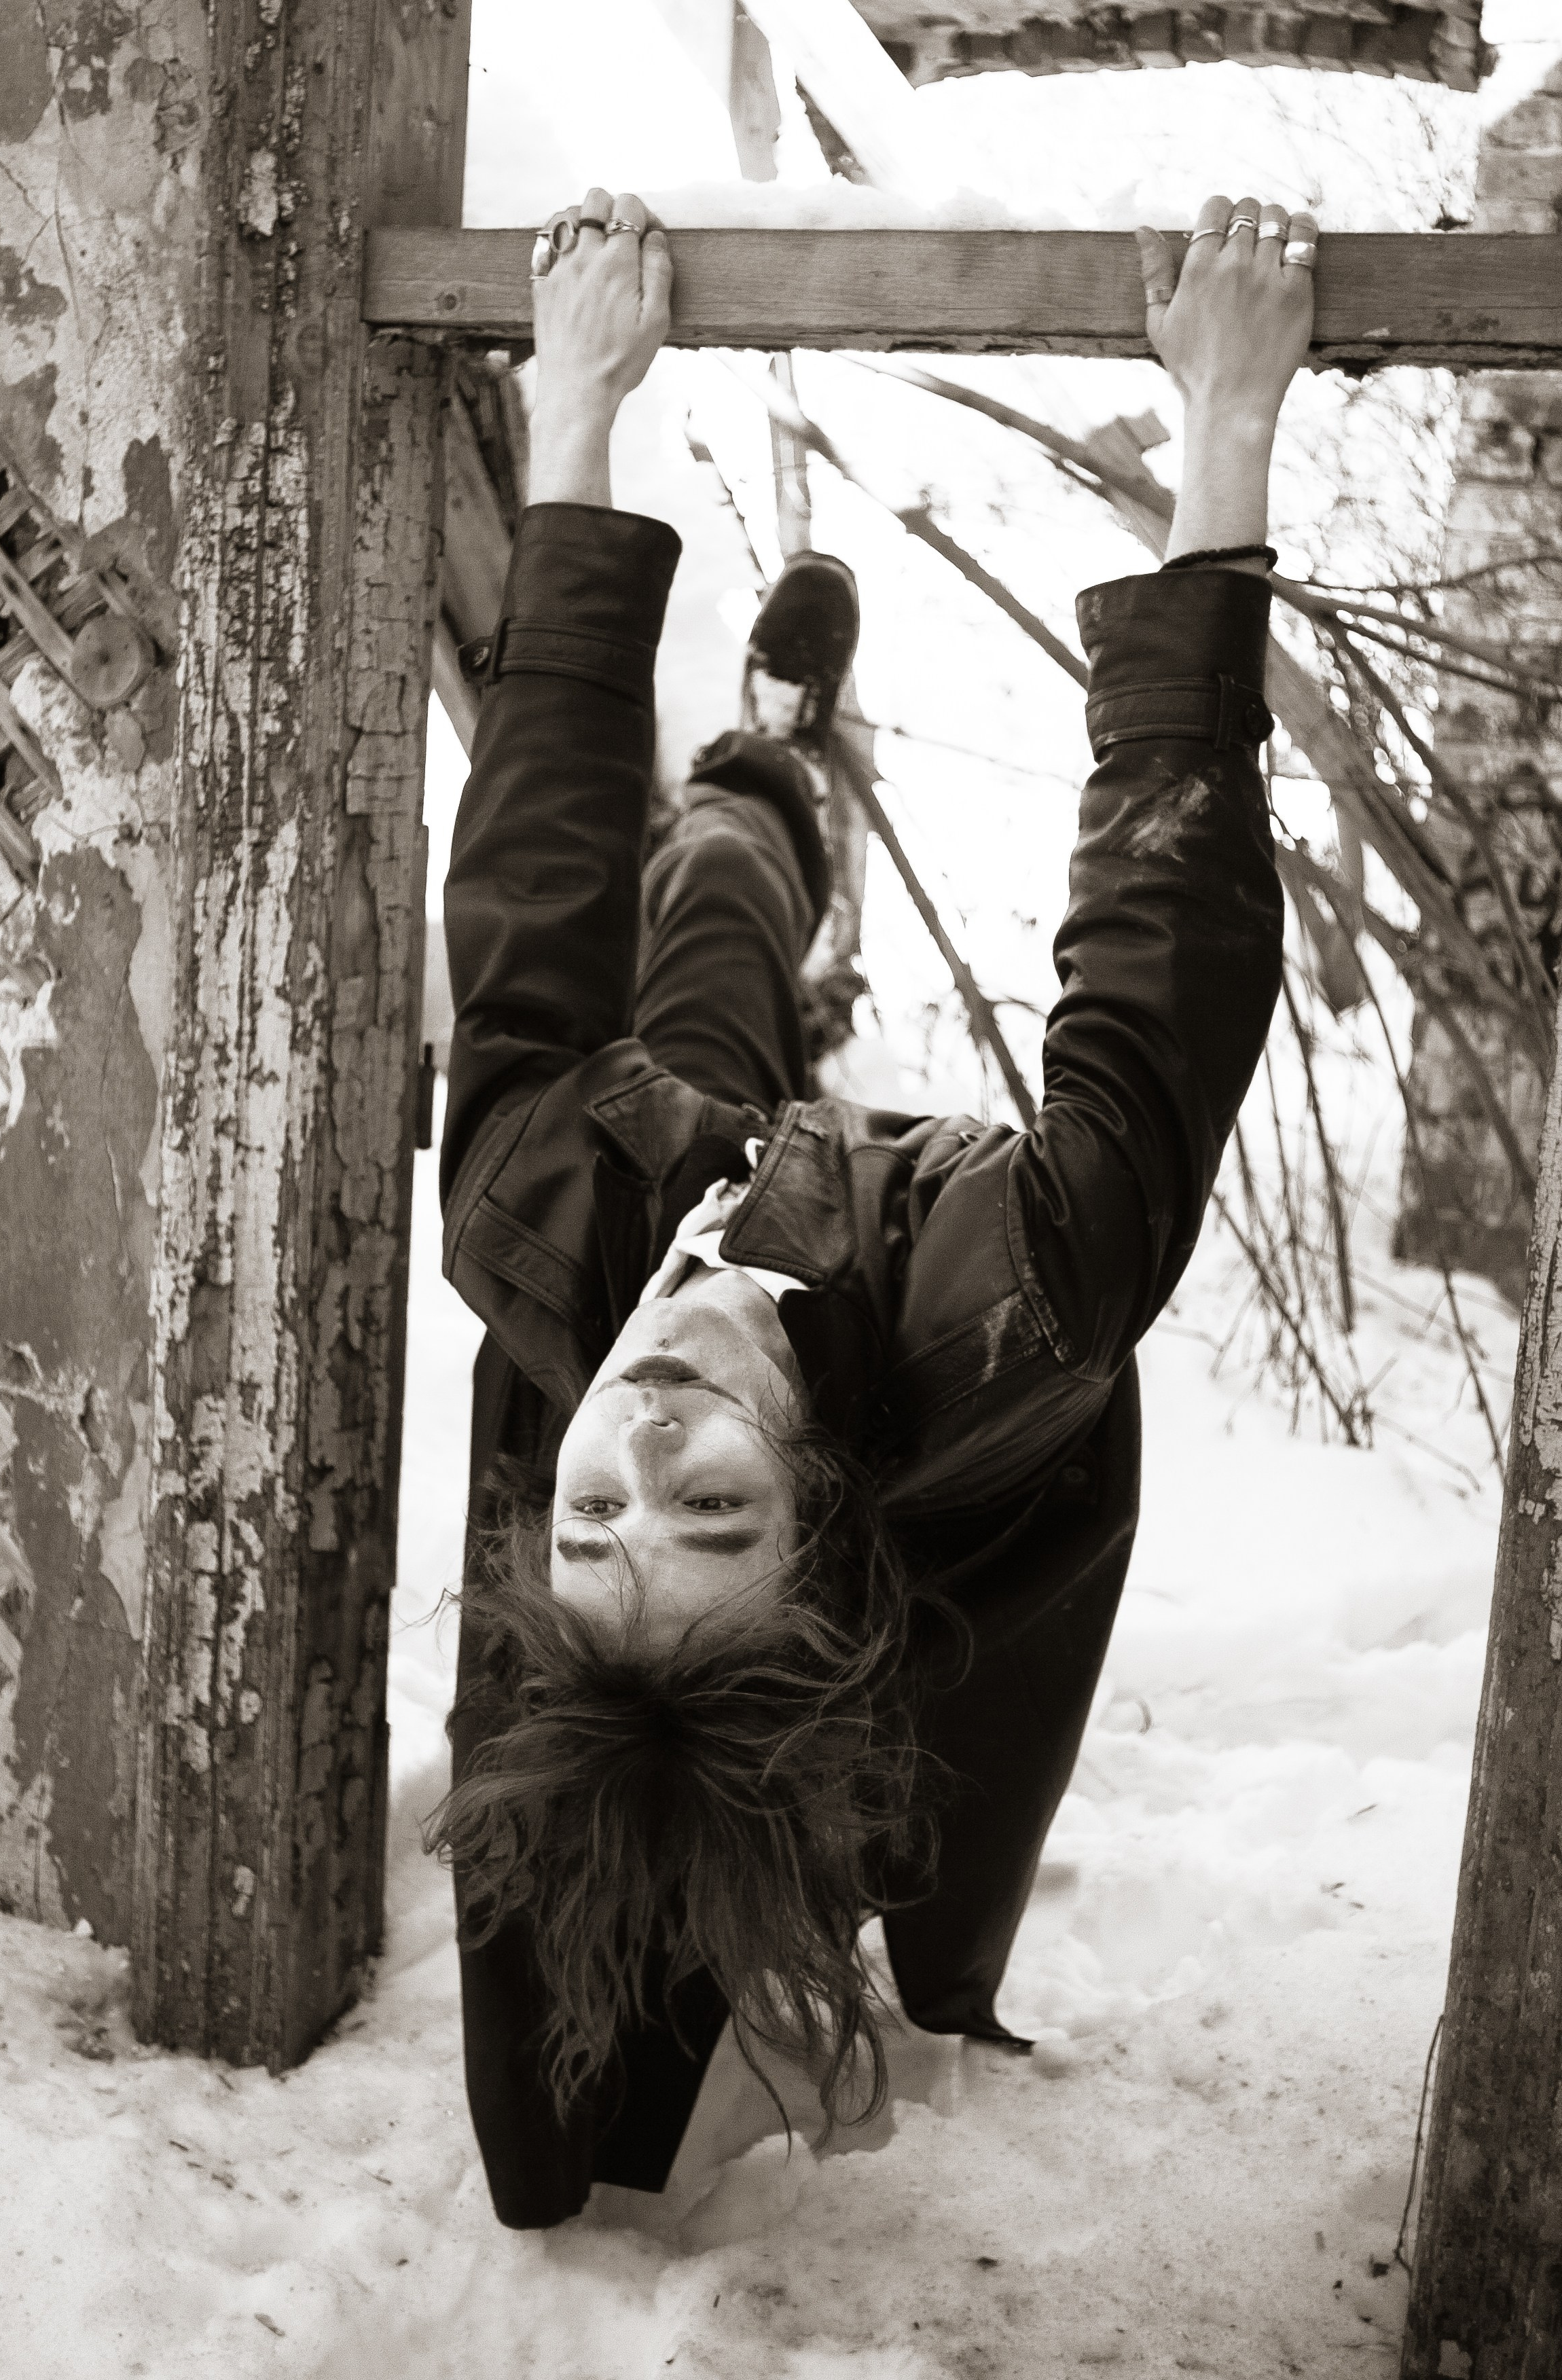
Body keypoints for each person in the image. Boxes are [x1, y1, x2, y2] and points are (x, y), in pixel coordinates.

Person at [428, 185, 1312, 2230]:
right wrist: (1227, 437)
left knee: (703, 907)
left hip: (694, 1159)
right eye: (709, 1509)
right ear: (812, 1495)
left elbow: (534, 860)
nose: (636, 1448)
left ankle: (771, 774)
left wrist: (575, 408)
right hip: (899, 1279)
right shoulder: (1029, 1284)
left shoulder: (545, 1213)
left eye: (589, 1514)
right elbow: (1168, 933)